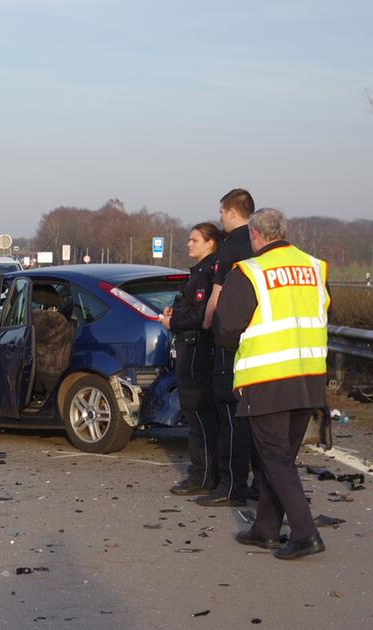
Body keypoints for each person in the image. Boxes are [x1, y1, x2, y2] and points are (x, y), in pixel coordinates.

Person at [215, 208, 329, 559]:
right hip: (309, 378)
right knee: (279, 458)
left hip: (267, 379)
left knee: (276, 459)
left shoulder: (250, 271)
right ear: (284, 231)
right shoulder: (315, 266)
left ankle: (305, 534)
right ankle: (266, 529)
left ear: (255, 235)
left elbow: (227, 328)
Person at [198, 188, 257, 507]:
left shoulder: (230, 247)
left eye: (222, 212)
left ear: (232, 212)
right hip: (259, 341)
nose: (220, 217)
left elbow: (217, 295)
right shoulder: (260, 245)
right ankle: (260, 483)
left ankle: (231, 486)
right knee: (255, 416)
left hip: (229, 339)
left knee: (228, 414)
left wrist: (207, 325)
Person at [160, 222, 222, 496]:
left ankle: (202, 475)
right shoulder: (201, 273)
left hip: (197, 352)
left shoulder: (207, 274)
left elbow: (199, 317)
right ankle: (207, 473)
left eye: (194, 240)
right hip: (193, 350)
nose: (189, 244)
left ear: (210, 243)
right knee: (199, 416)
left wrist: (171, 321)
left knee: (199, 416)